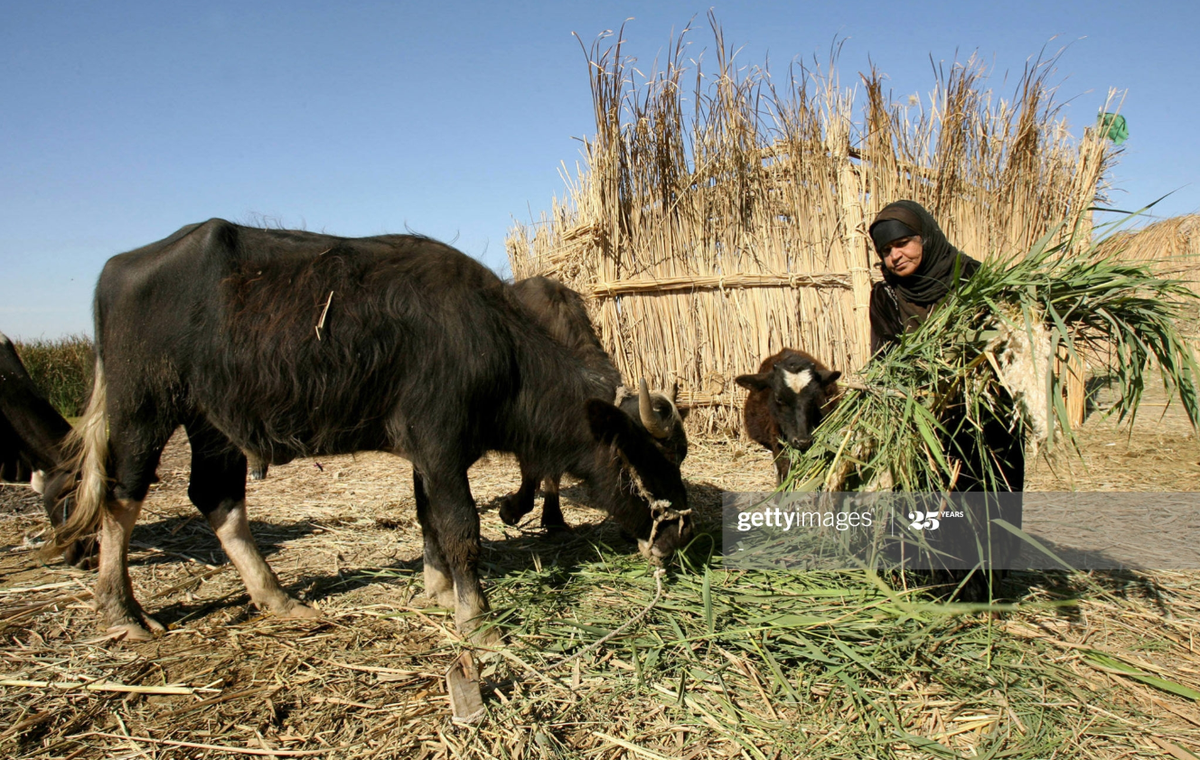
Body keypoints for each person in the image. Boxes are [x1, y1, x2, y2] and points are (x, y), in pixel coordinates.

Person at [866, 200, 1024, 599]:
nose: (895, 256)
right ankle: (941, 585)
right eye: (886, 250)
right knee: (933, 501)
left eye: (903, 243)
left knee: (987, 496)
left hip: (986, 416)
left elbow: (1011, 344)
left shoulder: (975, 280)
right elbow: (884, 357)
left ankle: (984, 589)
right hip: (928, 421)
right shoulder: (886, 295)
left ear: (926, 237)